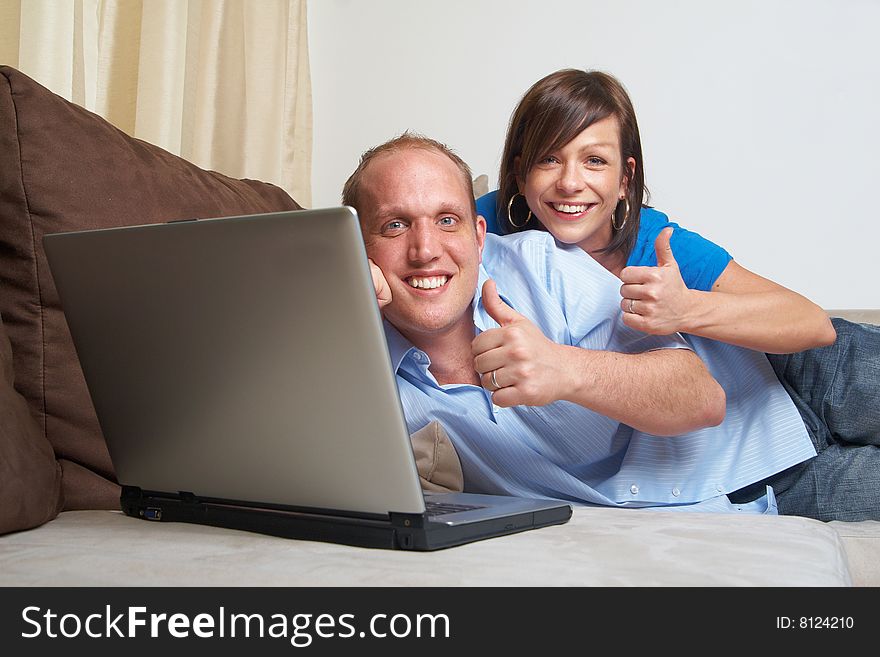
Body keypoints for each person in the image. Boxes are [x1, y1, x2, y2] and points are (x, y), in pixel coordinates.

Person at [342, 132, 824, 516]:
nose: (425, 249)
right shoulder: (346, 369)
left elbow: (706, 395)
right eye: (395, 226)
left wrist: (565, 368)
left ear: (478, 233)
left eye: (448, 220)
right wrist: (331, 290)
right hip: (735, 500)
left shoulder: (545, 260)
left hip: (772, 399)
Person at [479, 68, 880, 520]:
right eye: (549, 159)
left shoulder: (654, 240)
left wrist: (687, 308)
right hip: (764, 474)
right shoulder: (483, 227)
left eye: (594, 161)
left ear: (625, 177)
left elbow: (813, 325)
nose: (570, 182)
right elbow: (405, 235)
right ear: (520, 168)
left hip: (802, 375)